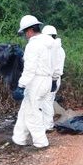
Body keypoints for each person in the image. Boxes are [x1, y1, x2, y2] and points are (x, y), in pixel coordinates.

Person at [11, 15, 53, 148]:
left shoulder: (33, 44)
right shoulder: (49, 42)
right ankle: (19, 138)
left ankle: (41, 142)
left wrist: (21, 85)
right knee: (25, 109)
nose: (25, 36)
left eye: (24, 33)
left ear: (29, 30)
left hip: (36, 81)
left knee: (32, 113)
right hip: (46, 79)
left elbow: (30, 68)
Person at [41, 25, 66, 131]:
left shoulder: (54, 49)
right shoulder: (58, 49)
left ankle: (48, 125)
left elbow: (56, 67)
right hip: (53, 79)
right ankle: (46, 124)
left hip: (52, 79)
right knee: (48, 101)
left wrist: (54, 80)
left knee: (46, 101)